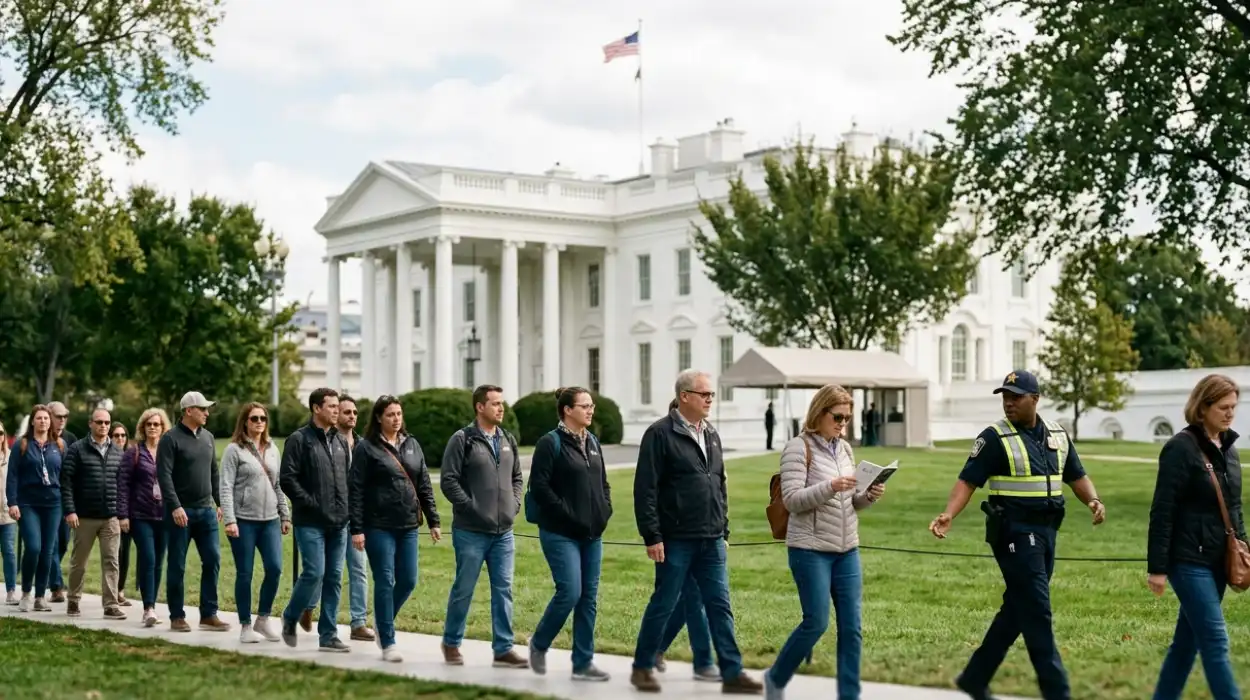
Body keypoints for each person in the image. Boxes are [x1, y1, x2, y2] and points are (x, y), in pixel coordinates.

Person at [929, 370, 1106, 700]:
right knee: (1037, 610)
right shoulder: (995, 438)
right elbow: (967, 481)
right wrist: (948, 513)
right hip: (1014, 532)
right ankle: (1058, 692)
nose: (1008, 402)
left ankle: (974, 677)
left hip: (1048, 532)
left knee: (1018, 608)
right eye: (1005, 396)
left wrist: (1093, 500)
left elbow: (1076, 475)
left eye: (1016, 396)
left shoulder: (1056, 434)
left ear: (1035, 399)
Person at [630, 370, 763, 694]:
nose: (709, 400)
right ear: (684, 396)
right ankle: (642, 666)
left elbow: (718, 482)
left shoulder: (712, 433)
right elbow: (645, 489)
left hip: (711, 538)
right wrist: (653, 536)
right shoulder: (659, 434)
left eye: (711, 395)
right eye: (704, 394)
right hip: (675, 539)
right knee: (663, 602)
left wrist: (724, 528)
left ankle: (732, 672)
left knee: (720, 605)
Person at [765, 385, 887, 700]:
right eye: (838, 417)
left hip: (847, 550)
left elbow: (852, 503)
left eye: (847, 418)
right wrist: (830, 486)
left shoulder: (845, 449)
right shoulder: (797, 447)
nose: (843, 424)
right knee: (816, 622)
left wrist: (867, 496)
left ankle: (849, 695)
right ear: (819, 413)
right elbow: (792, 500)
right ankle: (776, 677)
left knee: (852, 628)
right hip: (810, 550)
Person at [1147, 374, 1245, 700]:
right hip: (1187, 560)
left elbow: (1233, 507)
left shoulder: (1229, 448)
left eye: (1233, 407)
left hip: (1218, 559)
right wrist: (1158, 568)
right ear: (1202, 407)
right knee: (1215, 640)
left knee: (1185, 645)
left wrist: (1243, 548)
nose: (1230, 413)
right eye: (1222, 407)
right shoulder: (1179, 449)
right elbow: (1163, 511)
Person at [526, 386, 613, 681]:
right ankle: (538, 644)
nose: (591, 410)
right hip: (560, 533)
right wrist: (568, 514)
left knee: (588, 598)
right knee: (570, 592)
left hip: (592, 534)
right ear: (567, 410)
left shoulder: (593, 442)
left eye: (592, 406)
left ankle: (583, 663)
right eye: (585, 406)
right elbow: (539, 488)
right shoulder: (549, 444)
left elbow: (603, 483)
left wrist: (605, 510)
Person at [439, 384, 528, 668]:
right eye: (495, 403)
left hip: (504, 533)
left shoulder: (507, 438)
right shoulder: (462, 439)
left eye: (502, 403)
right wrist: (471, 507)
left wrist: (514, 504)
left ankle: (503, 648)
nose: (501, 408)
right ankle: (451, 642)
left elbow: (516, 477)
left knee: (504, 589)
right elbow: (448, 480)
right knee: (464, 588)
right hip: (471, 532)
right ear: (480, 407)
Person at [349, 395, 441, 662]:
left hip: (409, 524)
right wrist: (357, 528)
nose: (396, 418)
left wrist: (433, 519)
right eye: (390, 414)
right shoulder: (366, 448)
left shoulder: (412, 444)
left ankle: (382, 619)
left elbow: (423, 483)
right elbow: (356, 490)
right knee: (385, 579)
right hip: (378, 525)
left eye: (399, 413)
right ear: (379, 418)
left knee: (409, 579)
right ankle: (387, 640)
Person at [279, 388, 352, 652]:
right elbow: (287, 478)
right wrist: (310, 502)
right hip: (310, 522)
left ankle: (328, 635)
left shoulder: (341, 440)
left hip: (339, 522)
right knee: (314, 572)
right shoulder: (299, 440)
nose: (336, 410)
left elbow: (347, 479)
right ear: (316, 409)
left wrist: (348, 510)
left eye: (337, 406)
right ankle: (290, 616)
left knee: (334, 577)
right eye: (331, 406)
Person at [158, 391, 230, 632]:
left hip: (206, 511)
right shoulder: (170, 439)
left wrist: (219, 502)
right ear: (189, 411)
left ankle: (208, 614)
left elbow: (214, 473)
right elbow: (164, 476)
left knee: (213, 560)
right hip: (180, 513)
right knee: (177, 564)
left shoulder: (208, 437)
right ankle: (177, 615)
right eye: (202, 409)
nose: (207, 413)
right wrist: (175, 506)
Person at [303, 394, 373, 642]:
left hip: (355, 518)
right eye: (346, 412)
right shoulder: (323, 441)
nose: (351, 416)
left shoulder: (363, 445)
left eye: (354, 412)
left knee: (358, 568)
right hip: (329, 517)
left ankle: (358, 622)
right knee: (322, 571)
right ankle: (308, 606)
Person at [220, 402, 290, 644]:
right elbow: (226, 487)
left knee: (275, 568)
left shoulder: (273, 449)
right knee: (245, 573)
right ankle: (245, 625)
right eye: (254, 418)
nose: (259, 422)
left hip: (270, 520)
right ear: (245, 422)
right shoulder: (234, 450)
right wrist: (230, 520)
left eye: (263, 418)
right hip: (243, 521)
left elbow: (278, 484)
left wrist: (285, 514)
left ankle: (263, 618)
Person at [60, 408, 125, 619]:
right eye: (99, 422)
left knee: (111, 561)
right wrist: (70, 510)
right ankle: (73, 600)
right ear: (91, 423)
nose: (103, 426)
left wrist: (122, 513)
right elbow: (66, 481)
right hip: (84, 516)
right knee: (79, 562)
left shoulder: (117, 451)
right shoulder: (77, 449)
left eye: (107, 422)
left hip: (110, 517)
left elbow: (123, 485)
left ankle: (111, 605)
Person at [6, 405, 66, 612]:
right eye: (39, 418)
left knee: (48, 551)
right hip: (28, 503)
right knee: (33, 547)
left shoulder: (59, 445)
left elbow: (66, 478)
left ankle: (40, 596)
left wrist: (68, 505)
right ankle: (25, 593)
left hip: (53, 504)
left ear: (50, 422)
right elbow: (12, 475)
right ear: (32, 421)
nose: (43, 421)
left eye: (46, 418)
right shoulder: (22, 445)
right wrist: (12, 502)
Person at [118, 408, 172, 627]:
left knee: (158, 561)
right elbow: (122, 484)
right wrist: (123, 514)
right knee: (148, 558)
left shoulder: (169, 451)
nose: (152, 427)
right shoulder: (134, 452)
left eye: (156, 424)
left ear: (163, 427)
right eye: (149, 424)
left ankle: (152, 605)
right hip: (140, 515)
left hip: (165, 515)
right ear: (142, 427)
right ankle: (148, 608)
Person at [46, 401, 75, 602]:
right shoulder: (39, 439)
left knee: (63, 542)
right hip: (45, 500)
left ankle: (48, 569)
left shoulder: (71, 439)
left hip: (66, 499)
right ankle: (56, 586)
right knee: (53, 543)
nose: (62, 420)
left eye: (65, 416)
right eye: (59, 416)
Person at [109, 422, 133, 608]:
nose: (120, 439)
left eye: (123, 435)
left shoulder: (131, 456)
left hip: (129, 511)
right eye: (116, 435)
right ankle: (111, 590)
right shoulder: (107, 456)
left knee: (124, 552)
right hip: (110, 512)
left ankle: (120, 590)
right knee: (114, 553)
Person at [0, 420, 15, 606]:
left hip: (7, 513)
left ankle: (11, 590)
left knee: (9, 551)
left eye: (1, 433)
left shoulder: (10, 457)